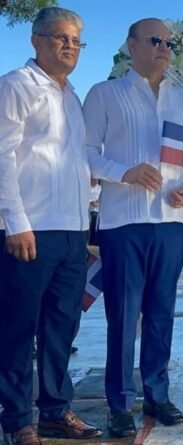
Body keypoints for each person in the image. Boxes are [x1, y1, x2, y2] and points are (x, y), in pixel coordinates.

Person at [83, 18, 183, 436]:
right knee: (123, 314)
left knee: (161, 312)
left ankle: (157, 393)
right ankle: (120, 403)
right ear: (131, 45)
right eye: (155, 40)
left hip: (171, 221)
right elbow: (85, 151)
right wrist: (124, 172)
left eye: (169, 42)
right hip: (124, 222)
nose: (164, 48)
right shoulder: (105, 94)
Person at [0, 7, 102, 445]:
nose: (70, 47)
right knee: (18, 328)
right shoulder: (15, 86)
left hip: (72, 231)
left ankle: (56, 412)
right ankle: (17, 419)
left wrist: (89, 212)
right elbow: (2, 156)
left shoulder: (71, 97)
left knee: (62, 327)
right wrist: (15, 222)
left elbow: (74, 160)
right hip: (30, 229)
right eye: (61, 38)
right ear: (36, 40)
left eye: (76, 41)